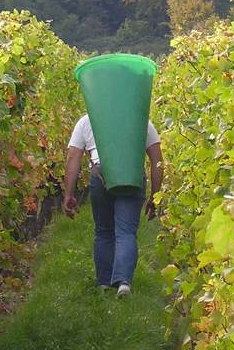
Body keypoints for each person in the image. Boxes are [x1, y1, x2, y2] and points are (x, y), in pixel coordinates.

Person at [62, 113, 163, 298]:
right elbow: (157, 159)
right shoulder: (139, 118)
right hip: (130, 172)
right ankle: (124, 283)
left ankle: (104, 284)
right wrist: (155, 195)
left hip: (100, 172)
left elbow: (73, 158)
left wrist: (69, 194)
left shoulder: (87, 120)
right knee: (126, 232)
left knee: (103, 231)